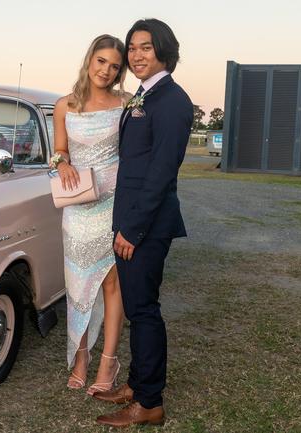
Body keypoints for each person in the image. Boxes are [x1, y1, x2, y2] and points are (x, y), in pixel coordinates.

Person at [93, 19, 193, 428]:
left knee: (144, 311)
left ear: (164, 50)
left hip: (145, 226)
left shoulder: (172, 100)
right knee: (137, 307)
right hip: (132, 219)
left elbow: (161, 172)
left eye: (145, 48)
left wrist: (132, 231)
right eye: (132, 48)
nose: (136, 55)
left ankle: (149, 403)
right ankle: (137, 383)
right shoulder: (145, 95)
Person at [51, 34, 128, 396]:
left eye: (115, 66)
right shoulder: (64, 105)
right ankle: (79, 357)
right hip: (79, 208)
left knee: (112, 285)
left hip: (114, 205)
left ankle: (107, 363)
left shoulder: (127, 104)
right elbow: (59, 151)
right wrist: (62, 163)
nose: (107, 71)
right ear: (89, 60)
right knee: (78, 285)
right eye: (102, 61)